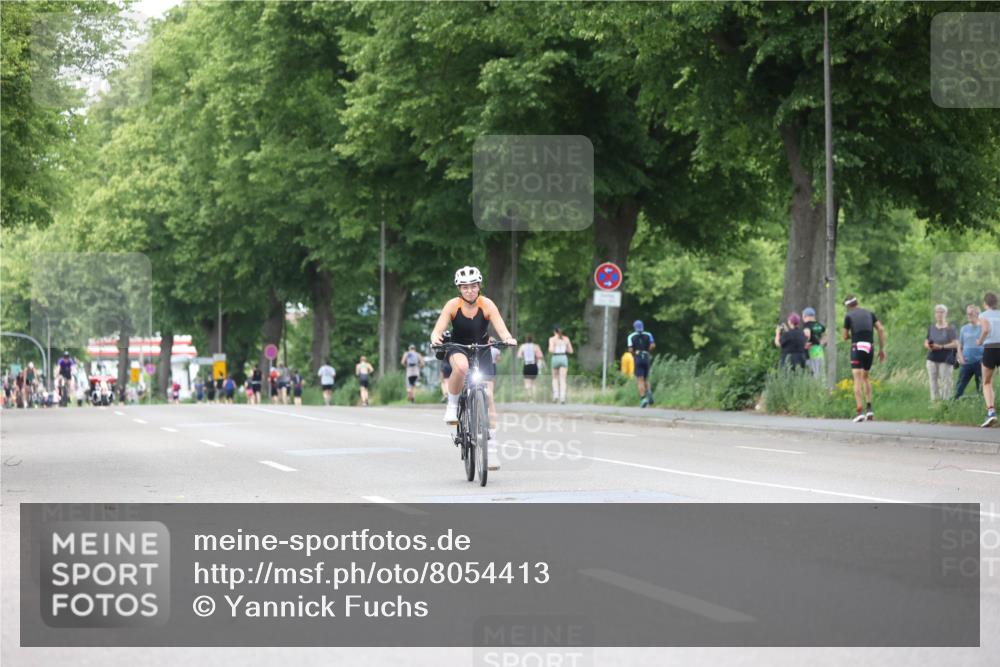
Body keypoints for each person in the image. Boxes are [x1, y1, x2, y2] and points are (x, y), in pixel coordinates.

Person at [430, 265, 516, 471]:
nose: (469, 290)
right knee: (460, 367)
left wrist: (508, 339)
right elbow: (438, 330)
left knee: (488, 397)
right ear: (459, 288)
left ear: (479, 286)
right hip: (458, 347)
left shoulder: (487, 304)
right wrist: (435, 338)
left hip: (482, 349)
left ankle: (492, 450)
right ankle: (452, 406)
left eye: (473, 286)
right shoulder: (453, 305)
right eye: (465, 287)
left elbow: (501, 329)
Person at [842, 295, 886, 423]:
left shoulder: (849, 317)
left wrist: (853, 336)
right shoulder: (870, 313)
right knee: (866, 377)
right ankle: (870, 409)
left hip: (857, 346)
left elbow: (844, 336)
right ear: (857, 302)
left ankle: (859, 411)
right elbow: (881, 329)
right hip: (869, 347)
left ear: (847, 306)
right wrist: (882, 349)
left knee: (857, 378)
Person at [924, 304, 959, 401]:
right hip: (932, 358)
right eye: (937, 312)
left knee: (946, 381)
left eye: (941, 312)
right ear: (935, 314)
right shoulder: (931, 327)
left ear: (946, 314)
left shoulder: (950, 328)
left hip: (946, 359)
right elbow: (926, 341)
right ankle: (934, 402)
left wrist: (941, 347)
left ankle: (946, 403)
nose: (939, 314)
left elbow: (955, 343)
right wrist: (928, 346)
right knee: (933, 381)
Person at [975, 292, 1000, 428]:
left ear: (985, 303)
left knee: (987, 382)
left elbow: (986, 329)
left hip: (990, 349)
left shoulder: (983, 315)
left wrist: (979, 340)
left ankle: (991, 412)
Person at [955, 304, 983, 399]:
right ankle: (952, 406)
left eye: (971, 313)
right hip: (966, 363)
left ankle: (982, 407)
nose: (969, 315)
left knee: (981, 388)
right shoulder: (964, 329)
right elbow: (960, 346)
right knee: (959, 387)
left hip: (980, 363)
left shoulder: (983, 328)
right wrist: (960, 357)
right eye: (967, 313)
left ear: (978, 314)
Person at [627, 320, 657, 407]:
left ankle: (643, 398)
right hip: (646, 357)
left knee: (640, 380)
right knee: (646, 378)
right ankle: (649, 392)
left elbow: (630, 349)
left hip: (638, 357)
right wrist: (647, 350)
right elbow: (653, 345)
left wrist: (634, 354)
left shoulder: (631, 336)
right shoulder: (648, 334)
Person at [548, 325, 573, 404]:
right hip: (563, 357)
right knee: (563, 379)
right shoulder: (566, 339)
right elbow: (571, 351)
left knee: (555, 378)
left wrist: (555, 346)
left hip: (555, 357)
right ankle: (562, 397)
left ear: (554, 331)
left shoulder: (552, 339)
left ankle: (556, 395)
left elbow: (551, 350)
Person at [801, 308, 828, 379]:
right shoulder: (819, 325)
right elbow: (826, 336)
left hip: (810, 350)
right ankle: (821, 388)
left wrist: (805, 343)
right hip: (819, 350)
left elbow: (807, 335)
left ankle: (814, 388)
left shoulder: (806, 325)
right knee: (820, 372)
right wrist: (821, 343)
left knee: (812, 372)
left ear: (805, 315)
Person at [517, 335, 544, 401]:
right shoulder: (536, 346)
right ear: (532, 339)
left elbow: (519, 356)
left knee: (527, 382)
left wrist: (524, 356)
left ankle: (530, 397)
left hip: (526, 365)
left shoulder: (523, 346)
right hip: (534, 365)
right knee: (534, 383)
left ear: (526, 340)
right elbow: (540, 355)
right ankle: (534, 398)